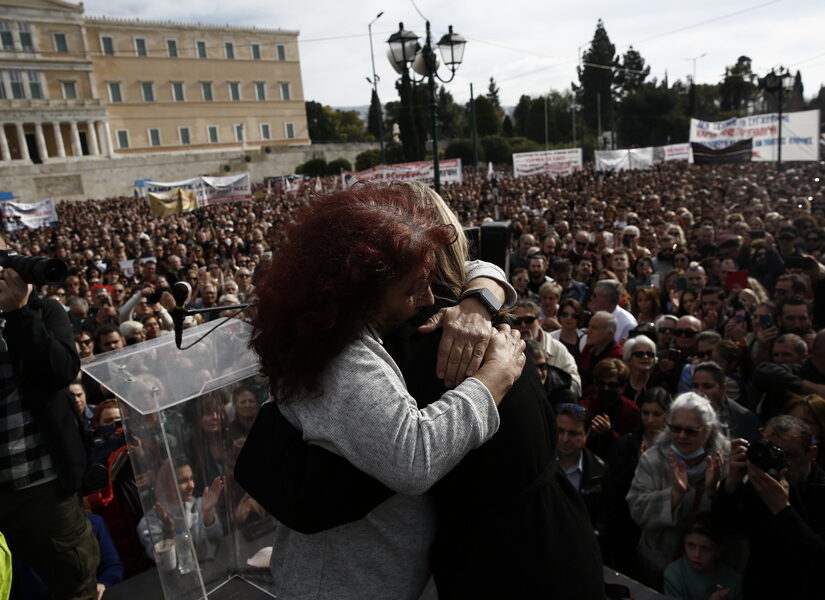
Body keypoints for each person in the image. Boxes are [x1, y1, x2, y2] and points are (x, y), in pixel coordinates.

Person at [243, 182, 604, 599]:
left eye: (430, 279)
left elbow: (475, 268)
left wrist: (480, 295)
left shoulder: (386, 323)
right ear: (362, 289)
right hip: (349, 583)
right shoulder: (347, 359)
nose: (429, 297)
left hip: (436, 567)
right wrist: (496, 375)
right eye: (414, 287)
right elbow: (413, 457)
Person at [0, 240, 99, 599]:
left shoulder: (45, 311)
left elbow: (61, 371)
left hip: (43, 486)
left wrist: (19, 313)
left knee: (74, 584)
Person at [713, 415, 825, 599]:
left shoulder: (821, 491)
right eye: (774, 452)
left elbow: (817, 559)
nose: (782, 463)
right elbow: (727, 528)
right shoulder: (760, 483)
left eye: (789, 455)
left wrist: (783, 509)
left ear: (811, 453)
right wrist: (731, 484)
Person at [626, 392, 729, 588]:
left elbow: (735, 525)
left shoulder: (723, 463)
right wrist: (674, 495)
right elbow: (637, 509)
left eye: (691, 431)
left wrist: (714, 491)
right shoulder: (653, 459)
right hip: (656, 564)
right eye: (676, 428)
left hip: (707, 575)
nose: (681, 436)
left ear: (708, 430)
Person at [663, 513, 742, 600]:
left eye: (705, 549)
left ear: (718, 551)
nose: (697, 554)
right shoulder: (675, 574)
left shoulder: (733, 581)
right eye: (691, 545)